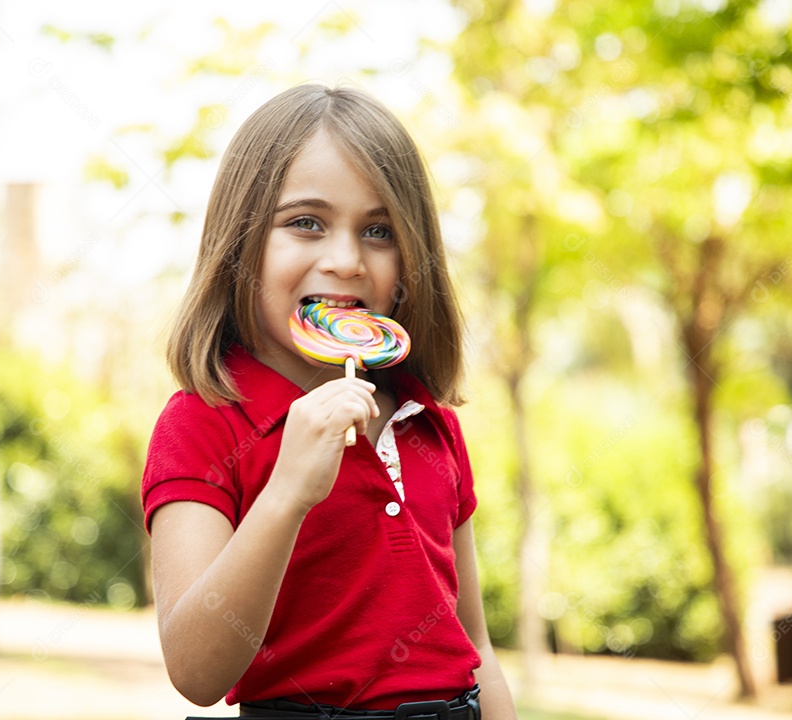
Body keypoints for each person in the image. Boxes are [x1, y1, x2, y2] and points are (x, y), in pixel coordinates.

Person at [141, 83, 518, 719]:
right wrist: (288, 492)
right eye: (305, 223)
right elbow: (195, 669)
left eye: (378, 230)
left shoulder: (430, 423)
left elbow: (474, 642)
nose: (345, 260)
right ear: (240, 244)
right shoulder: (201, 424)